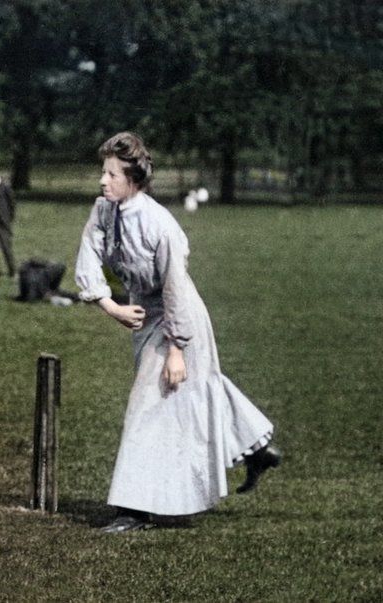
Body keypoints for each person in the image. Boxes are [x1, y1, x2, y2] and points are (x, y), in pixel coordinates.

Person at [74, 132, 281, 533]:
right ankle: (257, 451)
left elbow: (175, 290)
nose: (103, 180)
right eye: (103, 172)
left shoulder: (160, 225)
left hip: (179, 319)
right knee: (198, 391)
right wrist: (110, 305)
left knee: (147, 405)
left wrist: (176, 350)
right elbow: (88, 257)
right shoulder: (103, 210)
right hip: (143, 314)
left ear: (133, 178)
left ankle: (133, 510)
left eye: (111, 174)